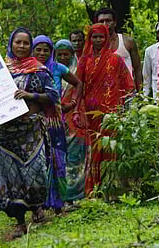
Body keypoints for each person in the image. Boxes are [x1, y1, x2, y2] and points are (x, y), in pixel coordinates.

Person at [0, 27, 58, 238]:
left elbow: (52, 96)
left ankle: (37, 208)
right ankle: (20, 222)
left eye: (25, 43)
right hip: (5, 134)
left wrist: (30, 95)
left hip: (31, 131)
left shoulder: (38, 70)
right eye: (17, 43)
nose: (21, 46)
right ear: (11, 44)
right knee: (11, 180)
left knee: (36, 173)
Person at [75, 24, 135, 195]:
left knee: (110, 148)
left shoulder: (116, 60)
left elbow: (127, 84)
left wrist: (123, 106)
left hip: (111, 111)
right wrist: (77, 108)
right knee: (94, 148)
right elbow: (78, 85)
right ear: (90, 39)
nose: (98, 40)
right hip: (91, 112)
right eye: (95, 37)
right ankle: (94, 188)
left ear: (107, 38)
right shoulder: (84, 61)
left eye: (101, 37)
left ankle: (113, 188)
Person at [32, 35, 81, 214]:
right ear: (33, 50)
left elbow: (78, 83)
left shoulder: (57, 68)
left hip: (55, 121)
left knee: (59, 160)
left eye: (46, 50)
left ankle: (60, 202)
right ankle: (41, 203)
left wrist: (72, 104)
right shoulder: (27, 69)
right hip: (34, 122)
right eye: (38, 49)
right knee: (40, 161)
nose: (42, 53)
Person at [54, 39, 86, 207]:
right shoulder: (51, 71)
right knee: (60, 159)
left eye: (66, 54)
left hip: (75, 119)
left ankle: (77, 194)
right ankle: (63, 196)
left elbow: (81, 90)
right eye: (59, 54)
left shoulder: (79, 70)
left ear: (72, 54)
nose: (63, 57)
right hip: (56, 121)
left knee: (76, 158)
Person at [93, 8, 142, 92]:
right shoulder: (93, 46)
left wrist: (140, 93)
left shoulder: (127, 42)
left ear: (115, 23)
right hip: (103, 94)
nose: (105, 24)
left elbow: (137, 69)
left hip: (127, 93)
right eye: (101, 21)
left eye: (108, 21)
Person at [142, 18, 159, 98]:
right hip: (158, 95)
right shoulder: (150, 51)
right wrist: (145, 96)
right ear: (157, 34)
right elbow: (146, 75)